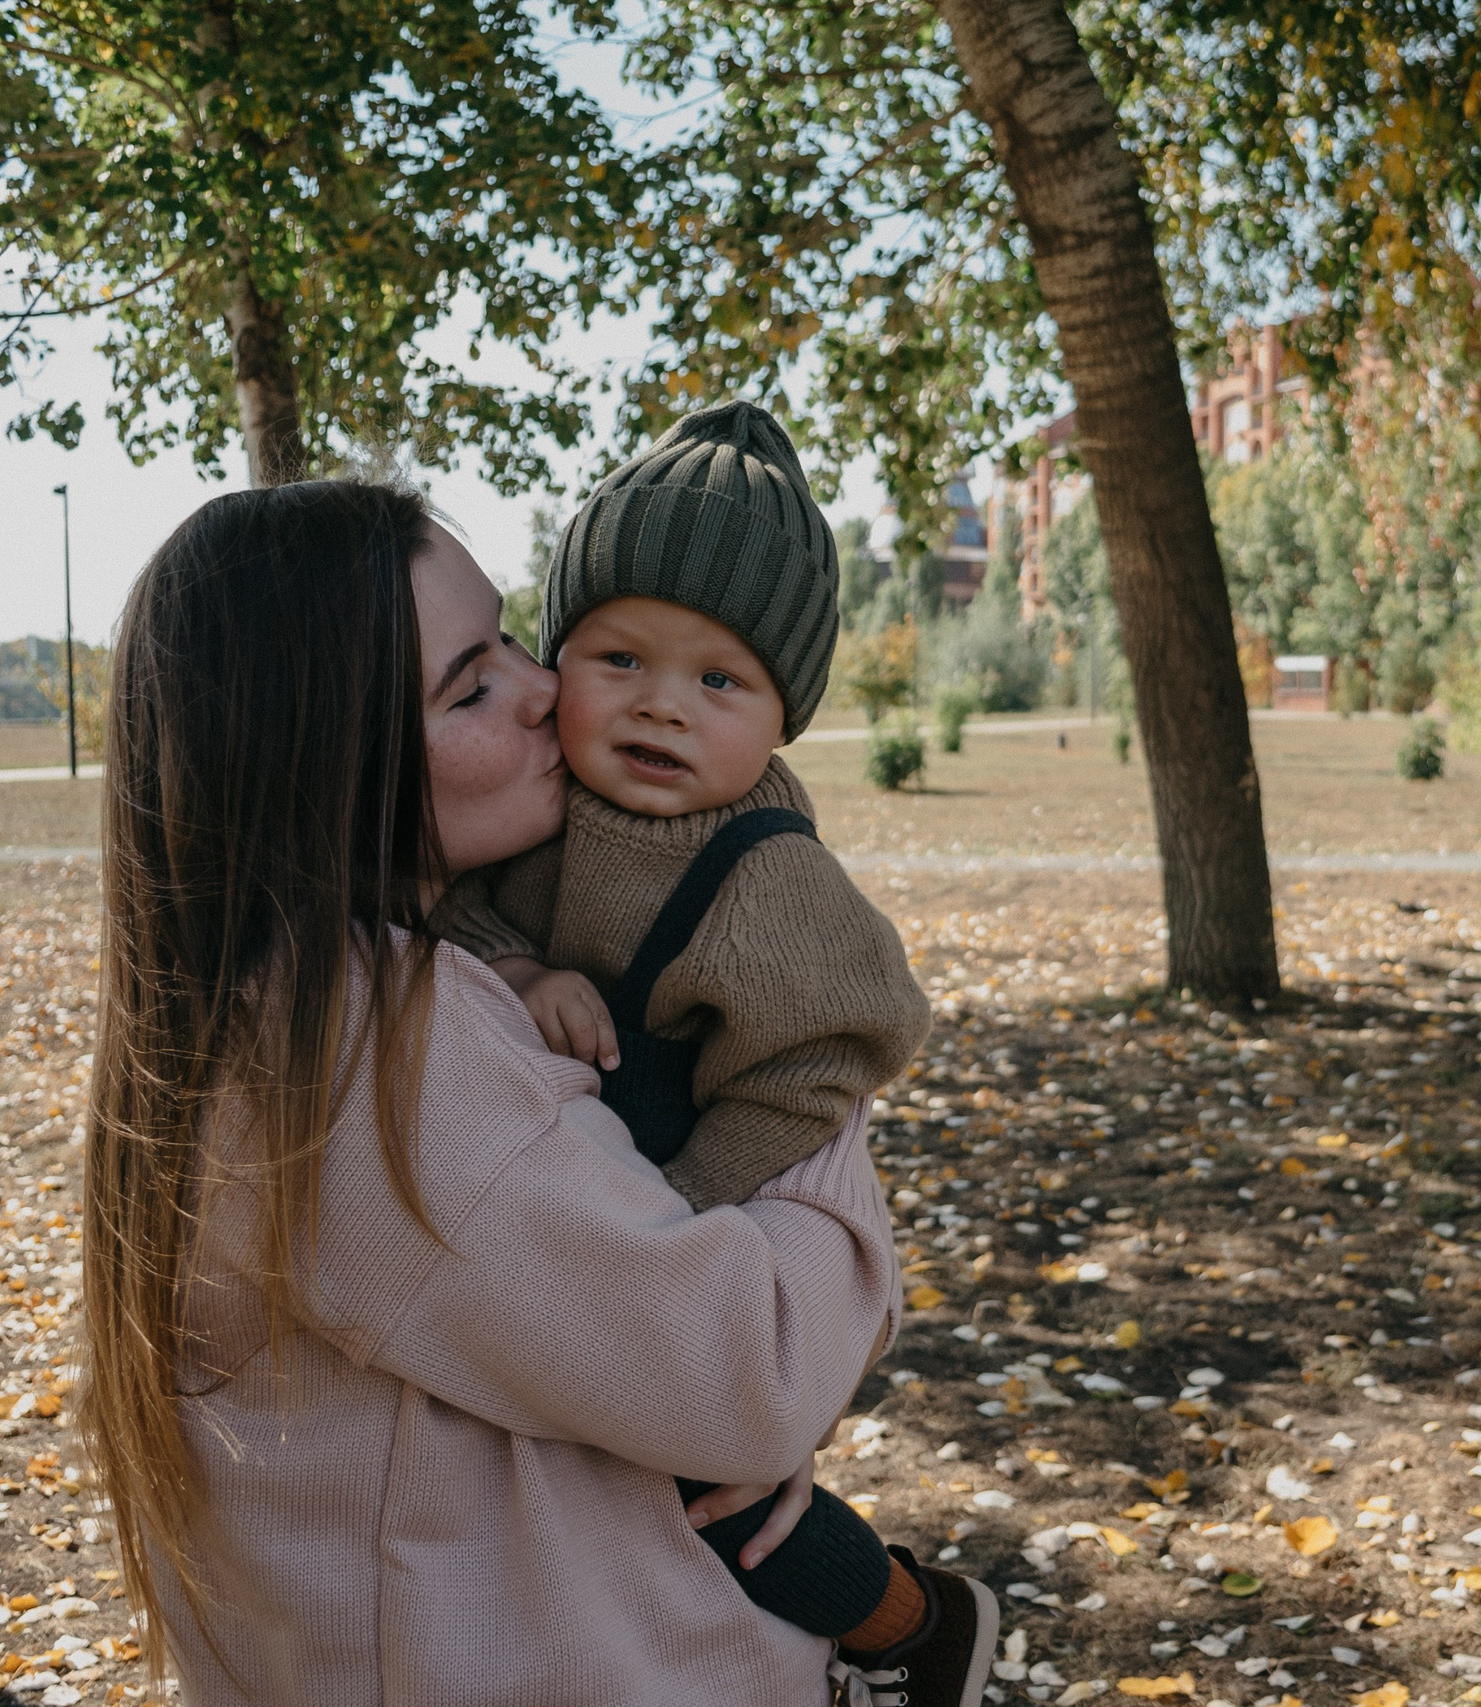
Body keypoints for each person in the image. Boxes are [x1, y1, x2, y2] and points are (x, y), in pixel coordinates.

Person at [80, 481, 916, 1704]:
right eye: (469, 688)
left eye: (516, 640)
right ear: (323, 767)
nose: (542, 689)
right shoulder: (374, 1059)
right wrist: (814, 1065)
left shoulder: (263, 1007)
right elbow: (757, 1373)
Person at [432, 401, 993, 1703]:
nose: (659, 705)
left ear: (784, 716)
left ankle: (911, 1628)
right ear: (558, 659)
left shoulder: (767, 875)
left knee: (736, 1503)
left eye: (718, 681)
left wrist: (689, 1221)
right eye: (619, 657)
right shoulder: (539, 806)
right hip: (591, 1220)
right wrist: (517, 967)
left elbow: (832, 1054)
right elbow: (449, 907)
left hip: (710, 1207)